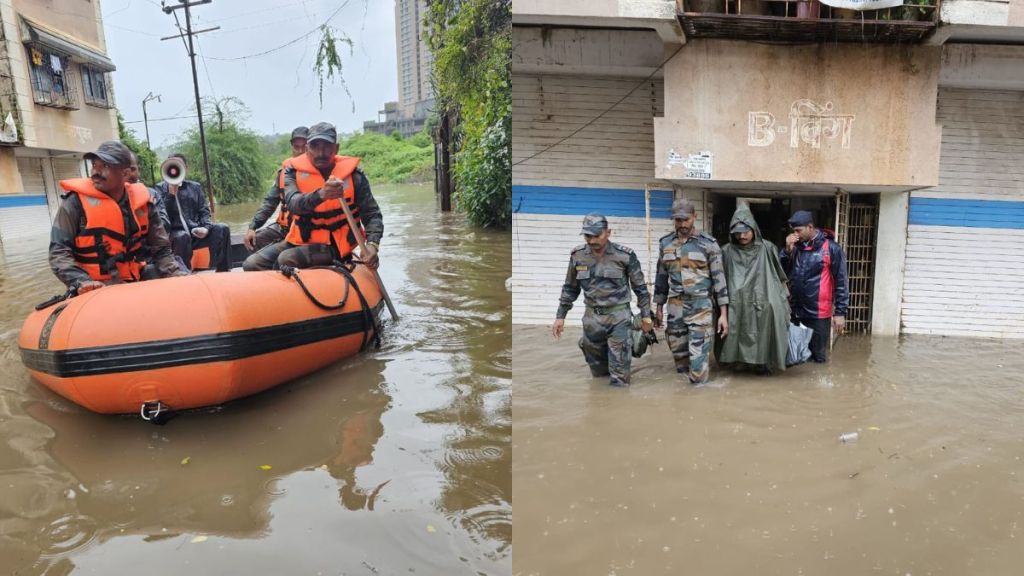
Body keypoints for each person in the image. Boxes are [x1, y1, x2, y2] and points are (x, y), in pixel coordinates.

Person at [242, 122, 382, 271]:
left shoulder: (355, 177)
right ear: (307, 149)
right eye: (315, 146)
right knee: (251, 264)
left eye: (327, 146)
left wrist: (372, 244)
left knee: (285, 259)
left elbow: (372, 214)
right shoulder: (291, 173)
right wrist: (321, 195)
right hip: (301, 239)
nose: (321, 153)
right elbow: (293, 204)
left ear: (336, 148)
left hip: (336, 244)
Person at [48, 141, 185, 293]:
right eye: (94, 165)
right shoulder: (74, 203)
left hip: (133, 278)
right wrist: (81, 281)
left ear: (125, 174)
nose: (95, 172)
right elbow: (58, 253)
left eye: (105, 166)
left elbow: (161, 249)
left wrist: (174, 273)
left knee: (177, 276)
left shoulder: (143, 203)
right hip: (93, 285)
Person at [551, 213, 653, 387]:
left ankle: (618, 407)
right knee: (597, 374)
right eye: (587, 236)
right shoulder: (578, 256)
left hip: (618, 318)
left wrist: (646, 316)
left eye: (596, 235)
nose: (592, 241)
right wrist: (560, 316)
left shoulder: (625, 256)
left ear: (608, 232)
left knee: (619, 377)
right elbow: (570, 288)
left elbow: (641, 289)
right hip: (592, 320)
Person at [653, 199, 729, 385]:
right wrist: (659, 308)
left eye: (685, 220)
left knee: (698, 364)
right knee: (679, 360)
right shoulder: (666, 244)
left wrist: (723, 315)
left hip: (700, 306)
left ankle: (699, 399)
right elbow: (661, 278)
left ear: (694, 217)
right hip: (675, 307)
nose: (682, 224)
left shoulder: (709, 244)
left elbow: (720, 280)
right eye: (678, 220)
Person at [718, 203, 791, 374]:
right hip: (736, 303)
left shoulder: (767, 248)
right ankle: (738, 363)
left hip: (762, 300)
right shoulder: (725, 251)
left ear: (754, 229)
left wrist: (784, 303)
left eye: (746, 231)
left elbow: (779, 277)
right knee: (736, 333)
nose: (742, 236)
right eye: (738, 232)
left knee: (763, 334)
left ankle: (762, 364)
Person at [780, 209, 849, 363]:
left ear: (810, 227)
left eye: (799, 230)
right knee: (794, 355)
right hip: (795, 310)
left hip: (818, 313)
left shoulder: (831, 248)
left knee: (818, 357)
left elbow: (841, 281)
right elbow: (781, 273)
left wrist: (840, 312)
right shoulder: (795, 247)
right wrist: (786, 251)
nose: (795, 234)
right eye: (794, 231)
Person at [155, 153, 232, 272]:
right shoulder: (159, 189)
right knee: (182, 236)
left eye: (179, 166)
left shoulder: (195, 187)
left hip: (195, 232)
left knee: (222, 228)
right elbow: (162, 218)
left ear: (186, 169)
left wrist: (206, 228)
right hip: (175, 236)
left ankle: (224, 271)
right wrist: (170, 195)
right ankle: (184, 275)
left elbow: (204, 212)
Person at [243, 126, 308, 253]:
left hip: (306, 230)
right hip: (284, 228)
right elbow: (270, 203)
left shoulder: (319, 173)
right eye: (296, 147)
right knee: (256, 240)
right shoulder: (283, 173)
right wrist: (252, 227)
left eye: (304, 147)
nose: (300, 151)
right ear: (292, 147)